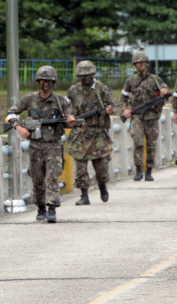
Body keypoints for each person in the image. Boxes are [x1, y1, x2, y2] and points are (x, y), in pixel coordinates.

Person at [7, 66, 75, 223]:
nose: (46, 84)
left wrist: (70, 122)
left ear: (54, 82)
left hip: (53, 145)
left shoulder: (61, 101)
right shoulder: (30, 99)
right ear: (38, 81)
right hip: (36, 147)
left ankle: (52, 209)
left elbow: (67, 122)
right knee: (37, 179)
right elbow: (11, 113)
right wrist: (19, 127)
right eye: (43, 81)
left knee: (52, 178)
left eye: (49, 81)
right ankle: (41, 207)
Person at [64, 60, 115, 205]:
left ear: (93, 74)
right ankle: (84, 195)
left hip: (98, 133)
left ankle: (102, 186)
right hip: (80, 133)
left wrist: (109, 110)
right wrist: (69, 117)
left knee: (101, 167)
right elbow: (65, 108)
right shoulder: (73, 91)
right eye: (82, 75)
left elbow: (112, 105)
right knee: (80, 167)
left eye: (88, 75)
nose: (85, 78)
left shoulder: (101, 89)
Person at [120, 51, 169, 182]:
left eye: (142, 63)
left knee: (151, 145)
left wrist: (164, 91)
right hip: (137, 116)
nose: (140, 65)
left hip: (152, 116)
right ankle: (138, 170)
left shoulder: (155, 79)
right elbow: (123, 97)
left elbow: (164, 89)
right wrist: (125, 109)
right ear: (135, 65)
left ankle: (149, 171)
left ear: (147, 64)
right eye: (138, 63)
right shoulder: (131, 80)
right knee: (138, 143)